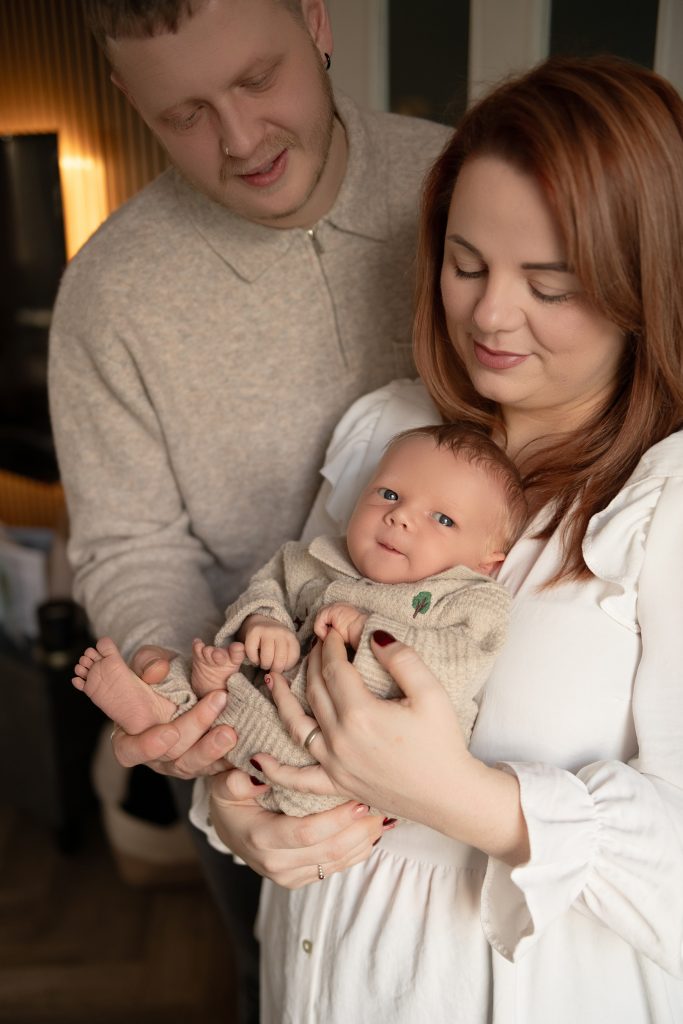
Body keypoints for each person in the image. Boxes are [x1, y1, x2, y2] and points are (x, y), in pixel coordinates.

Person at [176, 54, 682, 1021]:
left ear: (638, 282)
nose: (489, 316)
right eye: (464, 262)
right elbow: (276, 645)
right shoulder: (383, 429)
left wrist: (470, 798)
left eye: (552, 283)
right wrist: (239, 814)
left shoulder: (668, 503)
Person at [49, 1, 449, 1018]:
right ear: (125, 97)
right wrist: (164, 673)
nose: (239, 140)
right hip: (255, 748)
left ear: (315, 20)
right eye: (181, 112)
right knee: (266, 983)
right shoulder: (108, 297)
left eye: (256, 79)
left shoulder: (464, 189)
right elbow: (131, 542)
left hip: (478, 712)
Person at [71, 423, 527, 816]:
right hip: (264, 699)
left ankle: (190, 705)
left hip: (364, 762)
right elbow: (266, 588)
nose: (400, 516)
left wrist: (364, 631)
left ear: (488, 562)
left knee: (296, 772)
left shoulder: (470, 601)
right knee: (200, 671)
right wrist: (262, 624)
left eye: (443, 519)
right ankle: (164, 703)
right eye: (388, 493)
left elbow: (458, 665)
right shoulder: (315, 558)